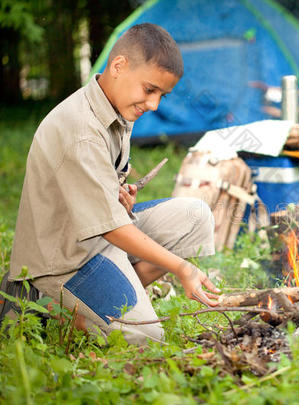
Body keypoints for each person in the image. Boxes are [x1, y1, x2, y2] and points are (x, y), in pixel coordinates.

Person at [0, 23, 220, 345]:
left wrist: (118, 193)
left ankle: (112, 299)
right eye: (150, 90)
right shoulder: (81, 130)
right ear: (118, 66)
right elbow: (112, 229)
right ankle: (50, 308)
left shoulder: (117, 109)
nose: (155, 104)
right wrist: (181, 268)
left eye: (162, 95)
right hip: (64, 258)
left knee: (196, 217)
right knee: (146, 336)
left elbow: (105, 197)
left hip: (101, 239)